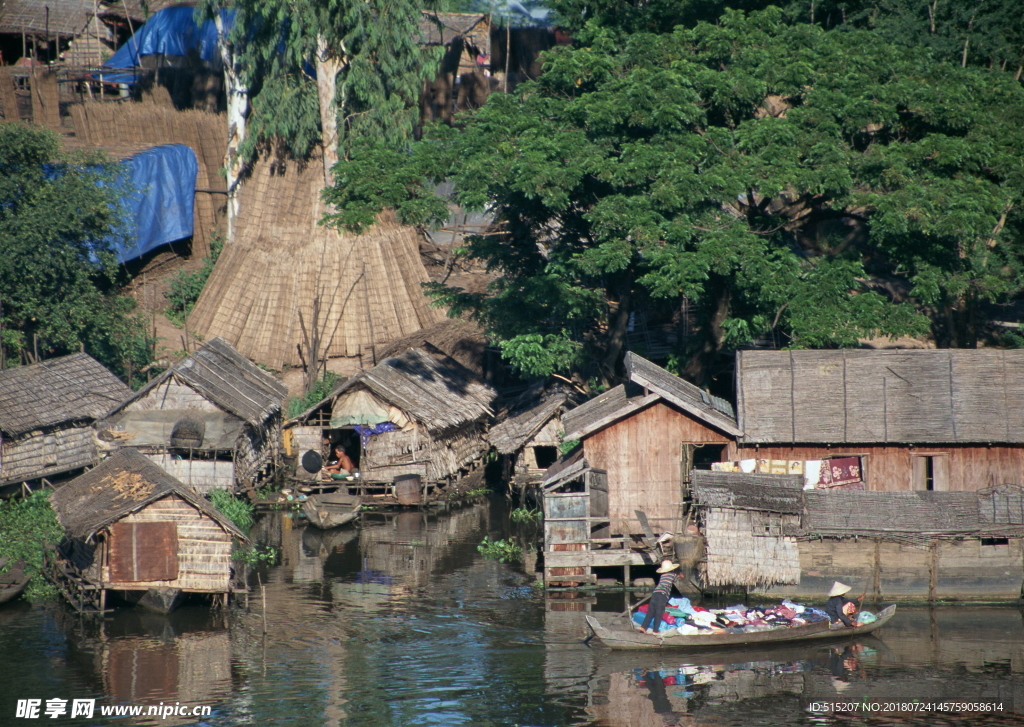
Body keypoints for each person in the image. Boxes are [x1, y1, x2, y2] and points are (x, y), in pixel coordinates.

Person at [640, 560, 680, 634]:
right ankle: (655, 630)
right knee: (659, 613)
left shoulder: (662, 575)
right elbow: (676, 580)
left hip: (655, 593)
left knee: (650, 612)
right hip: (662, 595)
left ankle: (643, 627)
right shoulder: (673, 574)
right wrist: (680, 576)